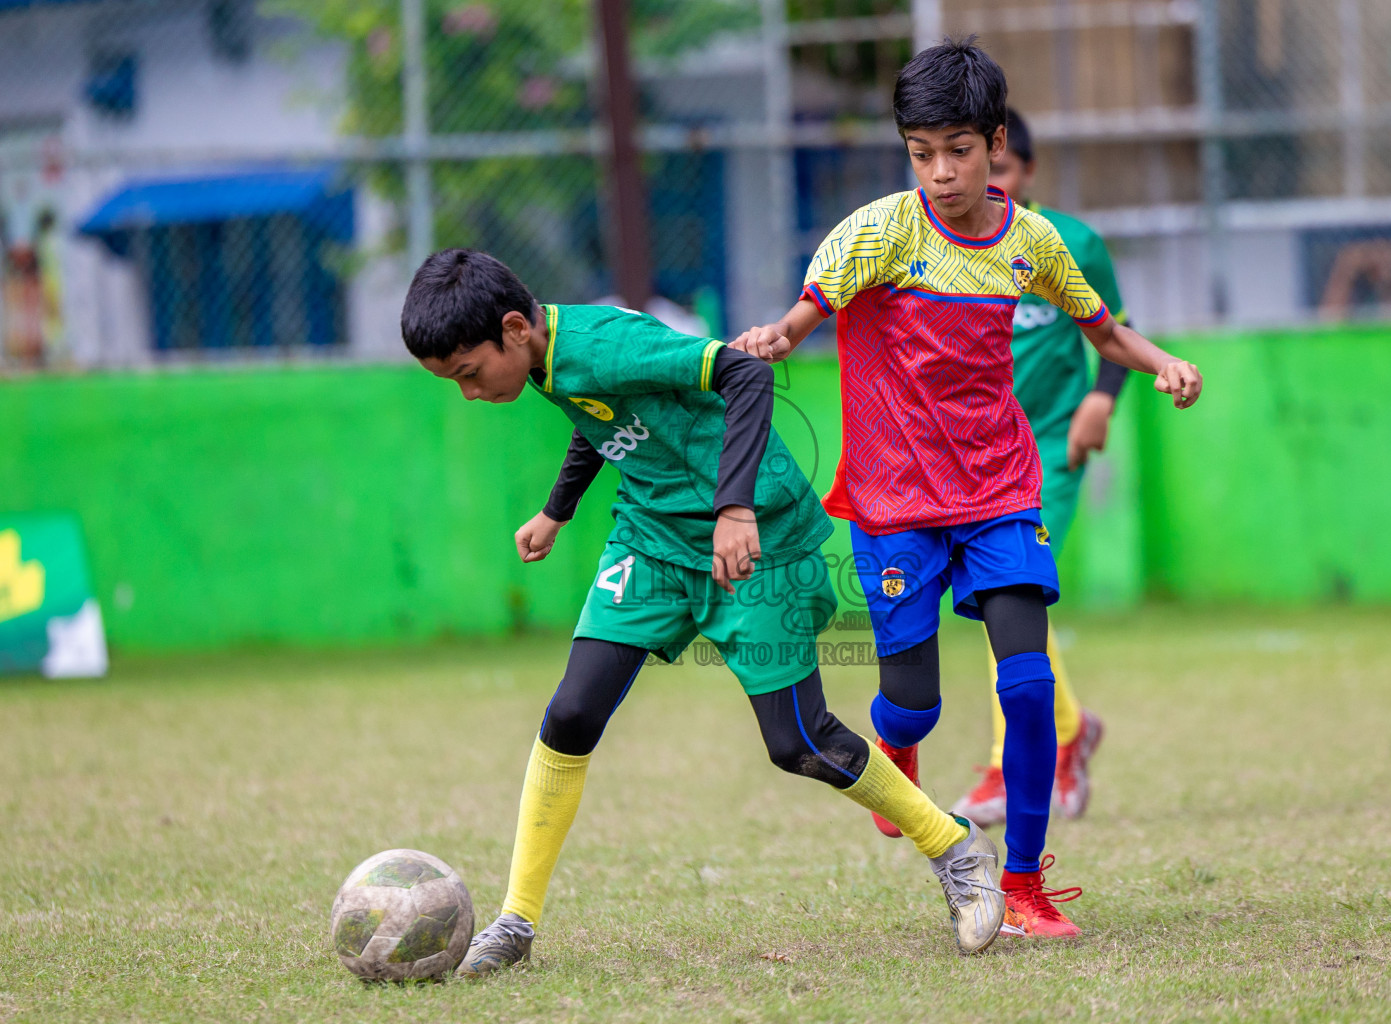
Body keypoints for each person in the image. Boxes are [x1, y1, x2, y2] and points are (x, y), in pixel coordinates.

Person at [397, 248, 1007, 976]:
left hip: (755, 538)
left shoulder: (607, 342)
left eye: (468, 373)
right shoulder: (546, 359)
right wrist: (557, 511)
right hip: (653, 539)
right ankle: (515, 922)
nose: (468, 392)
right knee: (570, 714)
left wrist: (734, 508)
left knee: (798, 742)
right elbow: (603, 418)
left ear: (514, 328)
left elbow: (744, 373)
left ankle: (955, 847)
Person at [730, 38, 1203, 940]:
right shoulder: (877, 232)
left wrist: (1161, 363)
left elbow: (1102, 332)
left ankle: (1021, 885)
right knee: (915, 700)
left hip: (998, 489)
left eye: (957, 150)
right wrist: (777, 337)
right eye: (920, 153)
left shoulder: (1032, 242)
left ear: (995, 145)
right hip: (895, 500)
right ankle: (897, 751)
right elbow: (804, 315)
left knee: (1026, 685)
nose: (939, 173)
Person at [950, 108, 1128, 827]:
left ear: (1022, 170)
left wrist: (1100, 398)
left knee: (1009, 591)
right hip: (971, 459)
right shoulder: (942, 250)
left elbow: (1117, 330)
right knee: (1000, 600)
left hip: (1047, 449)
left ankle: (1003, 770)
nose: (982, 184)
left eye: (998, 170)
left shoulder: (1065, 243)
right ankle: (1071, 728)